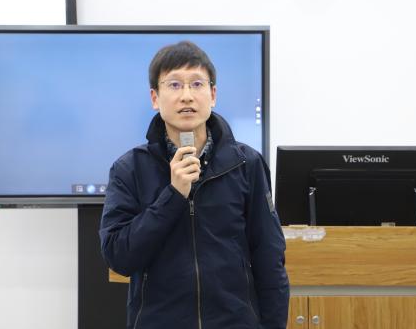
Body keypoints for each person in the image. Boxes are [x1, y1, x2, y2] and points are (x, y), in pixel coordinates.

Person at [100, 40, 289, 329]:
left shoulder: (246, 164)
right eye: (174, 85)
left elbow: (270, 258)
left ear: (212, 95)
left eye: (197, 84)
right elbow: (119, 257)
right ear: (155, 97)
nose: (186, 96)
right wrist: (173, 195)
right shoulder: (129, 169)